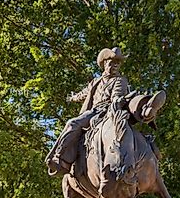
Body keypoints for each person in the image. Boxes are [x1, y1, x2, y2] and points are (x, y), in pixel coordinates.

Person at [46, 47, 129, 176]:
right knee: (73, 126)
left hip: (105, 111)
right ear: (105, 63)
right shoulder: (96, 82)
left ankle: (60, 157)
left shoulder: (120, 81)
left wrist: (117, 100)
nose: (116, 65)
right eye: (112, 62)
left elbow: (117, 94)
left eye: (118, 62)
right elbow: (84, 93)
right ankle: (65, 157)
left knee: (72, 123)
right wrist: (73, 97)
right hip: (92, 111)